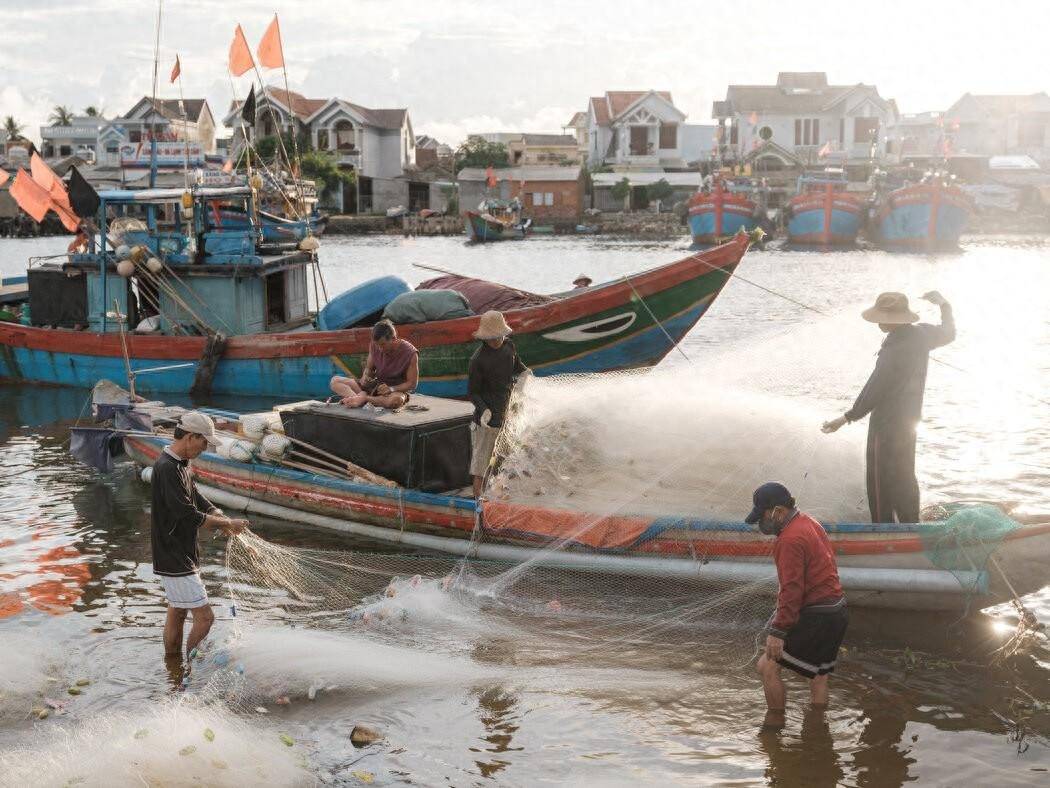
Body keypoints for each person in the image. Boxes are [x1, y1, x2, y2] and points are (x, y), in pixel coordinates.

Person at [821, 291, 954, 524]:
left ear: (895, 320)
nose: (879, 323)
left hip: (886, 425)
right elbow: (949, 333)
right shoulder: (922, 333)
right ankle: (911, 525)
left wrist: (847, 417)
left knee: (879, 480)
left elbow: (875, 389)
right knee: (904, 475)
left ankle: (883, 528)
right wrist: (943, 304)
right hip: (910, 424)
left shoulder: (893, 350)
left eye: (883, 318)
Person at [747, 482, 847, 731]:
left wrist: (778, 632)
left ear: (778, 511)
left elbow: (792, 590)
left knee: (767, 666)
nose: (762, 523)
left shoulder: (789, 540)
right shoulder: (809, 522)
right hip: (837, 611)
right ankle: (817, 729)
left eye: (764, 516)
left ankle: (773, 729)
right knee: (819, 675)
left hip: (817, 616)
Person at [152, 411, 247, 663]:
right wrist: (226, 523)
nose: (206, 448)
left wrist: (217, 513)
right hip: (174, 553)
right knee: (205, 618)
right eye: (204, 442)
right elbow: (186, 514)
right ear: (191, 437)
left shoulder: (180, 463)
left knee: (178, 611)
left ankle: (173, 667)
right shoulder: (166, 468)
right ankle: (191, 672)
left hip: (176, 550)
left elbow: (194, 496)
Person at [467, 310, 529, 498]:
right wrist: (484, 410)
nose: (495, 341)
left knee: (504, 460)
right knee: (481, 466)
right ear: (484, 338)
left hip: (507, 413)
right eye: (491, 338)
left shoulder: (509, 347)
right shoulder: (478, 360)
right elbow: (473, 393)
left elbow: (519, 368)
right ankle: (479, 502)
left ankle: (500, 496)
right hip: (486, 422)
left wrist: (526, 376)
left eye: (498, 336)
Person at [329, 319, 419, 410]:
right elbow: (369, 369)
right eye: (377, 345)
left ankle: (362, 399)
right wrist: (365, 376)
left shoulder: (410, 353)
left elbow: (412, 384)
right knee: (335, 381)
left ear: (393, 339)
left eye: (383, 345)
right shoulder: (374, 344)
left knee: (396, 401)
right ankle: (361, 399)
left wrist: (391, 389)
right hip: (375, 387)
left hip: (394, 391)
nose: (380, 349)